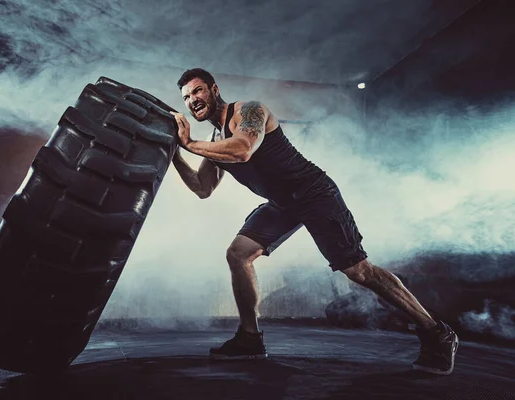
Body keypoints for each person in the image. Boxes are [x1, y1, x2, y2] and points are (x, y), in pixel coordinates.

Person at [169, 68, 458, 375]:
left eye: (197, 91)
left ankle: (437, 331)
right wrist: (173, 152)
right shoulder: (214, 140)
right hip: (282, 205)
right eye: (186, 97)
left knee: (358, 271)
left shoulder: (249, 110)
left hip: (314, 193)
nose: (192, 101)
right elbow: (202, 188)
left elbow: (242, 150)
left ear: (214, 90)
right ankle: (250, 339)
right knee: (238, 254)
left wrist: (188, 143)